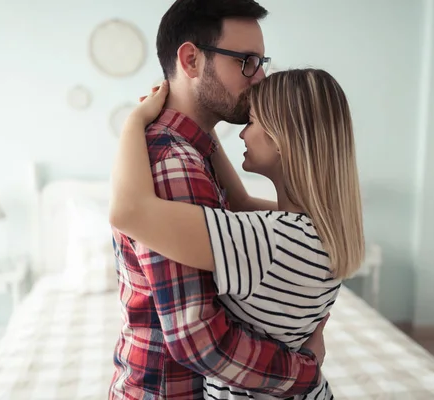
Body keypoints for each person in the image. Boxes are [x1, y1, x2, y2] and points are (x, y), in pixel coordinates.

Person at [108, 1, 326, 399]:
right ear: (191, 59)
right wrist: (306, 372)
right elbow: (199, 340)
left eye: (260, 62)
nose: (259, 78)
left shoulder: (195, 153)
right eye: (246, 61)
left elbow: (247, 210)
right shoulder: (176, 166)